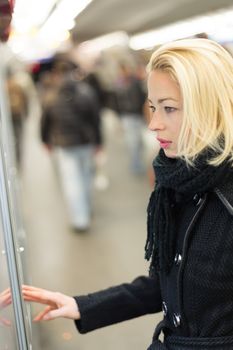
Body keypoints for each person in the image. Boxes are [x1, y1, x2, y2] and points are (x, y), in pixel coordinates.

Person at [23, 38, 233, 349]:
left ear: (210, 107)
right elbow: (168, 284)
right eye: (152, 107)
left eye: (169, 108)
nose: (154, 123)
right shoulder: (177, 185)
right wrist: (83, 305)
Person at [40, 59, 102, 232]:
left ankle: (80, 220)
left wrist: (45, 140)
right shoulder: (86, 92)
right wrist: (99, 142)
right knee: (87, 176)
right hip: (85, 142)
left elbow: (45, 121)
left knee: (72, 181)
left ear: (57, 74)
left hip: (64, 144)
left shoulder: (51, 95)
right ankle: (87, 207)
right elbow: (96, 120)